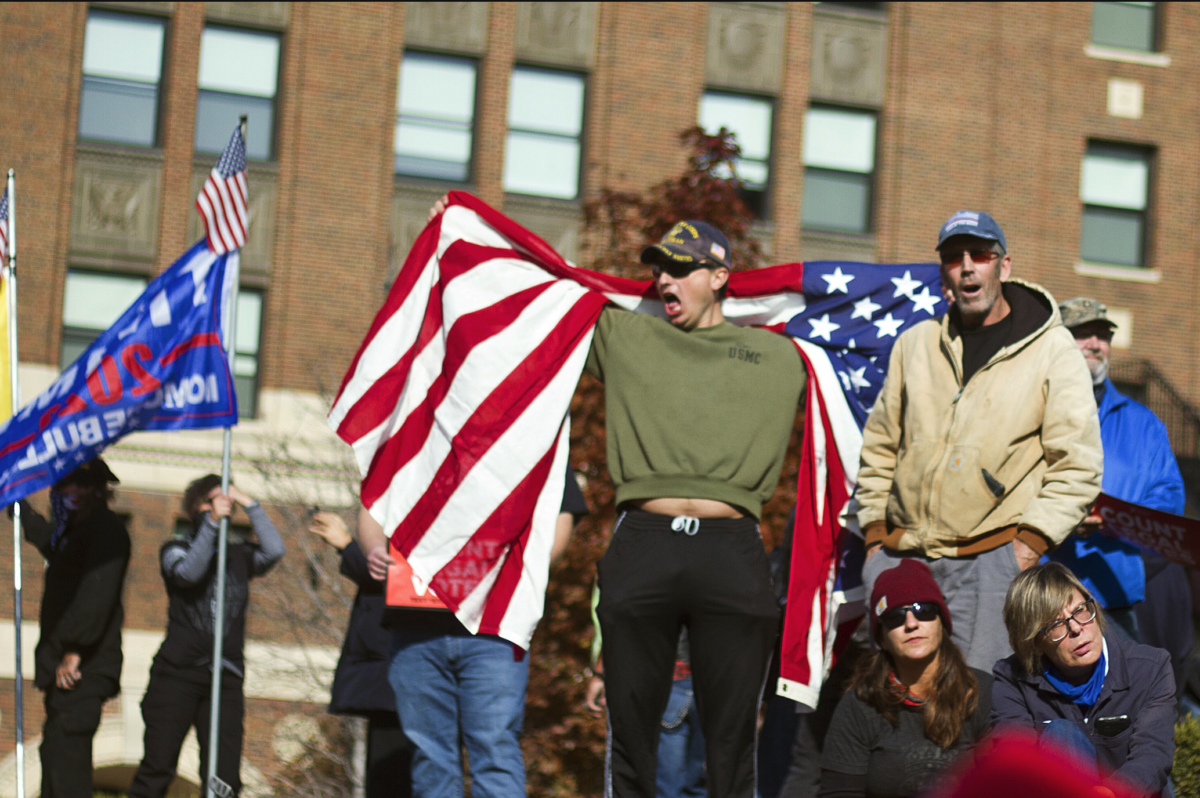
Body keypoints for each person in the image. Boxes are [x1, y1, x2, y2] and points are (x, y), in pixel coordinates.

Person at [426, 197, 807, 798]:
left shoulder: (781, 351)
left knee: (732, 740)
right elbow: (539, 290)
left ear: (719, 277)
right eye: (659, 267)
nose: (664, 279)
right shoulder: (624, 333)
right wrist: (461, 227)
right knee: (631, 735)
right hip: (643, 546)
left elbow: (863, 320)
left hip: (732, 550)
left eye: (681, 267)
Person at [856, 210, 1103, 671]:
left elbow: (1078, 465)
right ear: (944, 274)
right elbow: (879, 448)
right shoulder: (916, 344)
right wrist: (874, 541)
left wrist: (1027, 545)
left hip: (993, 562)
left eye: (981, 254)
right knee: (899, 705)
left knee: (979, 704)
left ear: (1003, 265)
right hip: (904, 557)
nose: (967, 265)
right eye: (953, 257)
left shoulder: (1052, 349)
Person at [360, 465, 588, 798]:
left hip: (494, 628)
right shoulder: (413, 425)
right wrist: (373, 549)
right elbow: (372, 504)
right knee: (430, 758)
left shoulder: (529, 426)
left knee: (495, 751)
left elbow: (561, 510)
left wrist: (529, 567)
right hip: (415, 626)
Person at [1047, 297, 1193, 688]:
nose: (1095, 343)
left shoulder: (1143, 422)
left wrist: (1111, 520)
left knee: (1125, 706)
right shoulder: (1035, 409)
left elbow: (1167, 498)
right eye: (1082, 334)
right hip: (1049, 594)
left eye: (1102, 335)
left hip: (1118, 592)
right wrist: (1063, 517)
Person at [129, 475, 285, 797]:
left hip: (225, 676)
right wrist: (213, 523)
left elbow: (274, 549)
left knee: (224, 779)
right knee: (158, 766)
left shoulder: (239, 556)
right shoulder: (175, 548)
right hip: (179, 674)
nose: (226, 504)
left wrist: (250, 504)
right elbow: (188, 574)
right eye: (216, 498)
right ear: (199, 506)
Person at [992, 562, 1175, 796]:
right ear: (1035, 644)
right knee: (1061, 734)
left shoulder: (1150, 667)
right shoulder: (1012, 678)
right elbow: (1013, 761)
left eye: (1081, 611)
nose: (1077, 628)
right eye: (1056, 625)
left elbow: (1153, 755)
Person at [820, 559, 992, 797]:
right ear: (881, 638)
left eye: (924, 611)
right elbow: (838, 793)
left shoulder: (982, 692)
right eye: (895, 617)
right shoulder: (859, 705)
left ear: (942, 622)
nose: (911, 624)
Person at [16, 458, 129, 798]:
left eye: (81, 485)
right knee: (52, 759)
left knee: (68, 770)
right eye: (66, 485)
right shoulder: (72, 534)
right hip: (61, 671)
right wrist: (16, 502)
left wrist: (74, 651)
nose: (72, 492)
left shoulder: (106, 530)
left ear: (98, 490)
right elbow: (46, 537)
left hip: (82, 670)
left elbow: (98, 593)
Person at [310, 511, 412, 798]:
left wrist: (347, 544)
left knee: (393, 776)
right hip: (392, 667)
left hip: (397, 666)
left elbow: (391, 576)